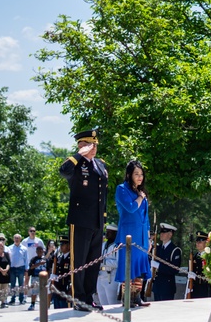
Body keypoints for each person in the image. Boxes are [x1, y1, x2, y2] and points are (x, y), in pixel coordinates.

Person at [59, 128, 109, 311]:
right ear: (80, 146)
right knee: (79, 261)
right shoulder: (75, 164)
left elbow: (103, 195)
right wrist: (78, 155)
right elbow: (63, 172)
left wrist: (103, 219)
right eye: (89, 144)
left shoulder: (101, 165)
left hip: (97, 221)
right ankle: (78, 298)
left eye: (95, 144)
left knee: (93, 262)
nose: (93, 147)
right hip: (80, 220)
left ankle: (89, 297)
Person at [114, 160, 152, 308]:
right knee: (128, 265)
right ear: (129, 175)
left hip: (141, 235)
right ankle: (127, 297)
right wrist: (141, 197)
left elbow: (145, 217)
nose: (140, 177)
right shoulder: (121, 189)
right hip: (128, 234)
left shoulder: (140, 192)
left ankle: (137, 296)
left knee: (140, 266)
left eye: (141, 174)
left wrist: (148, 238)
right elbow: (130, 208)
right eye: (136, 174)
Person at [151, 223, 181, 301]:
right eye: (161, 232)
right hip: (157, 285)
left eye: (164, 232)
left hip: (167, 287)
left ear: (170, 234)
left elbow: (175, 269)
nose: (161, 234)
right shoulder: (158, 248)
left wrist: (158, 266)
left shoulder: (175, 250)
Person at [96, 224, 120, 306]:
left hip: (111, 277)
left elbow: (118, 263)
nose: (107, 234)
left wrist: (104, 261)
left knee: (112, 304)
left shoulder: (117, 246)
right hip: (101, 276)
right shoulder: (103, 245)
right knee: (103, 304)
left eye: (109, 232)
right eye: (107, 231)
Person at [188, 232, 211, 299]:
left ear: (206, 243)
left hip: (205, 289)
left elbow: (209, 274)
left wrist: (196, 277)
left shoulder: (209, 257)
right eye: (197, 241)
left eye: (200, 242)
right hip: (195, 288)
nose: (197, 244)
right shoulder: (194, 257)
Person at [7, 233, 28, 305]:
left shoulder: (24, 249)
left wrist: (26, 269)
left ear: (20, 239)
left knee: (21, 285)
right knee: (12, 285)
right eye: (15, 238)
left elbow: (26, 260)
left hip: (21, 268)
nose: (16, 239)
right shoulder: (9, 248)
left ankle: (21, 299)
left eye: (18, 238)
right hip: (12, 268)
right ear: (13, 239)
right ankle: (12, 299)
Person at [51, 236, 72, 309]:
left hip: (66, 287)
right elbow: (55, 271)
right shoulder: (59, 257)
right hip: (58, 286)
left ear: (68, 245)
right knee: (56, 308)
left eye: (63, 244)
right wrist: (52, 283)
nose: (61, 246)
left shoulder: (71, 258)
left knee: (64, 308)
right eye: (60, 245)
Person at [26, 245, 48, 311]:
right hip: (35, 277)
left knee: (43, 292)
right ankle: (32, 304)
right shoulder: (34, 259)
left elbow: (48, 268)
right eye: (38, 251)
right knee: (34, 292)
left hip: (44, 278)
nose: (40, 252)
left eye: (41, 250)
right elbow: (31, 267)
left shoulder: (46, 259)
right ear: (36, 252)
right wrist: (39, 264)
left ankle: (43, 305)